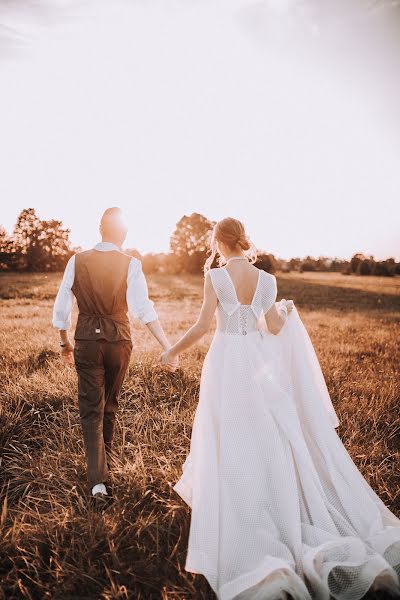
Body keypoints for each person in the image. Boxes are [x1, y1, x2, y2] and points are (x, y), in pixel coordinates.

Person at [161, 217, 400, 600]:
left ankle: (238, 496)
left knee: (227, 429)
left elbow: (205, 324)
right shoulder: (267, 280)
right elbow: (272, 326)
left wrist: (172, 350)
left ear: (220, 242)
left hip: (225, 361)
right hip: (256, 363)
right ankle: (266, 489)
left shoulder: (216, 277)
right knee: (263, 430)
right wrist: (286, 312)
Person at [53, 207, 177, 505]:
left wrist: (64, 343)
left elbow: (62, 307)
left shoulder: (78, 260)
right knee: (109, 406)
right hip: (119, 340)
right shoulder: (130, 264)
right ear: (123, 233)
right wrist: (166, 345)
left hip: (86, 341)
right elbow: (142, 308)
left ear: (99, 230)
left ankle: (98, 482)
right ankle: (102, 471)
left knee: (91, 410)